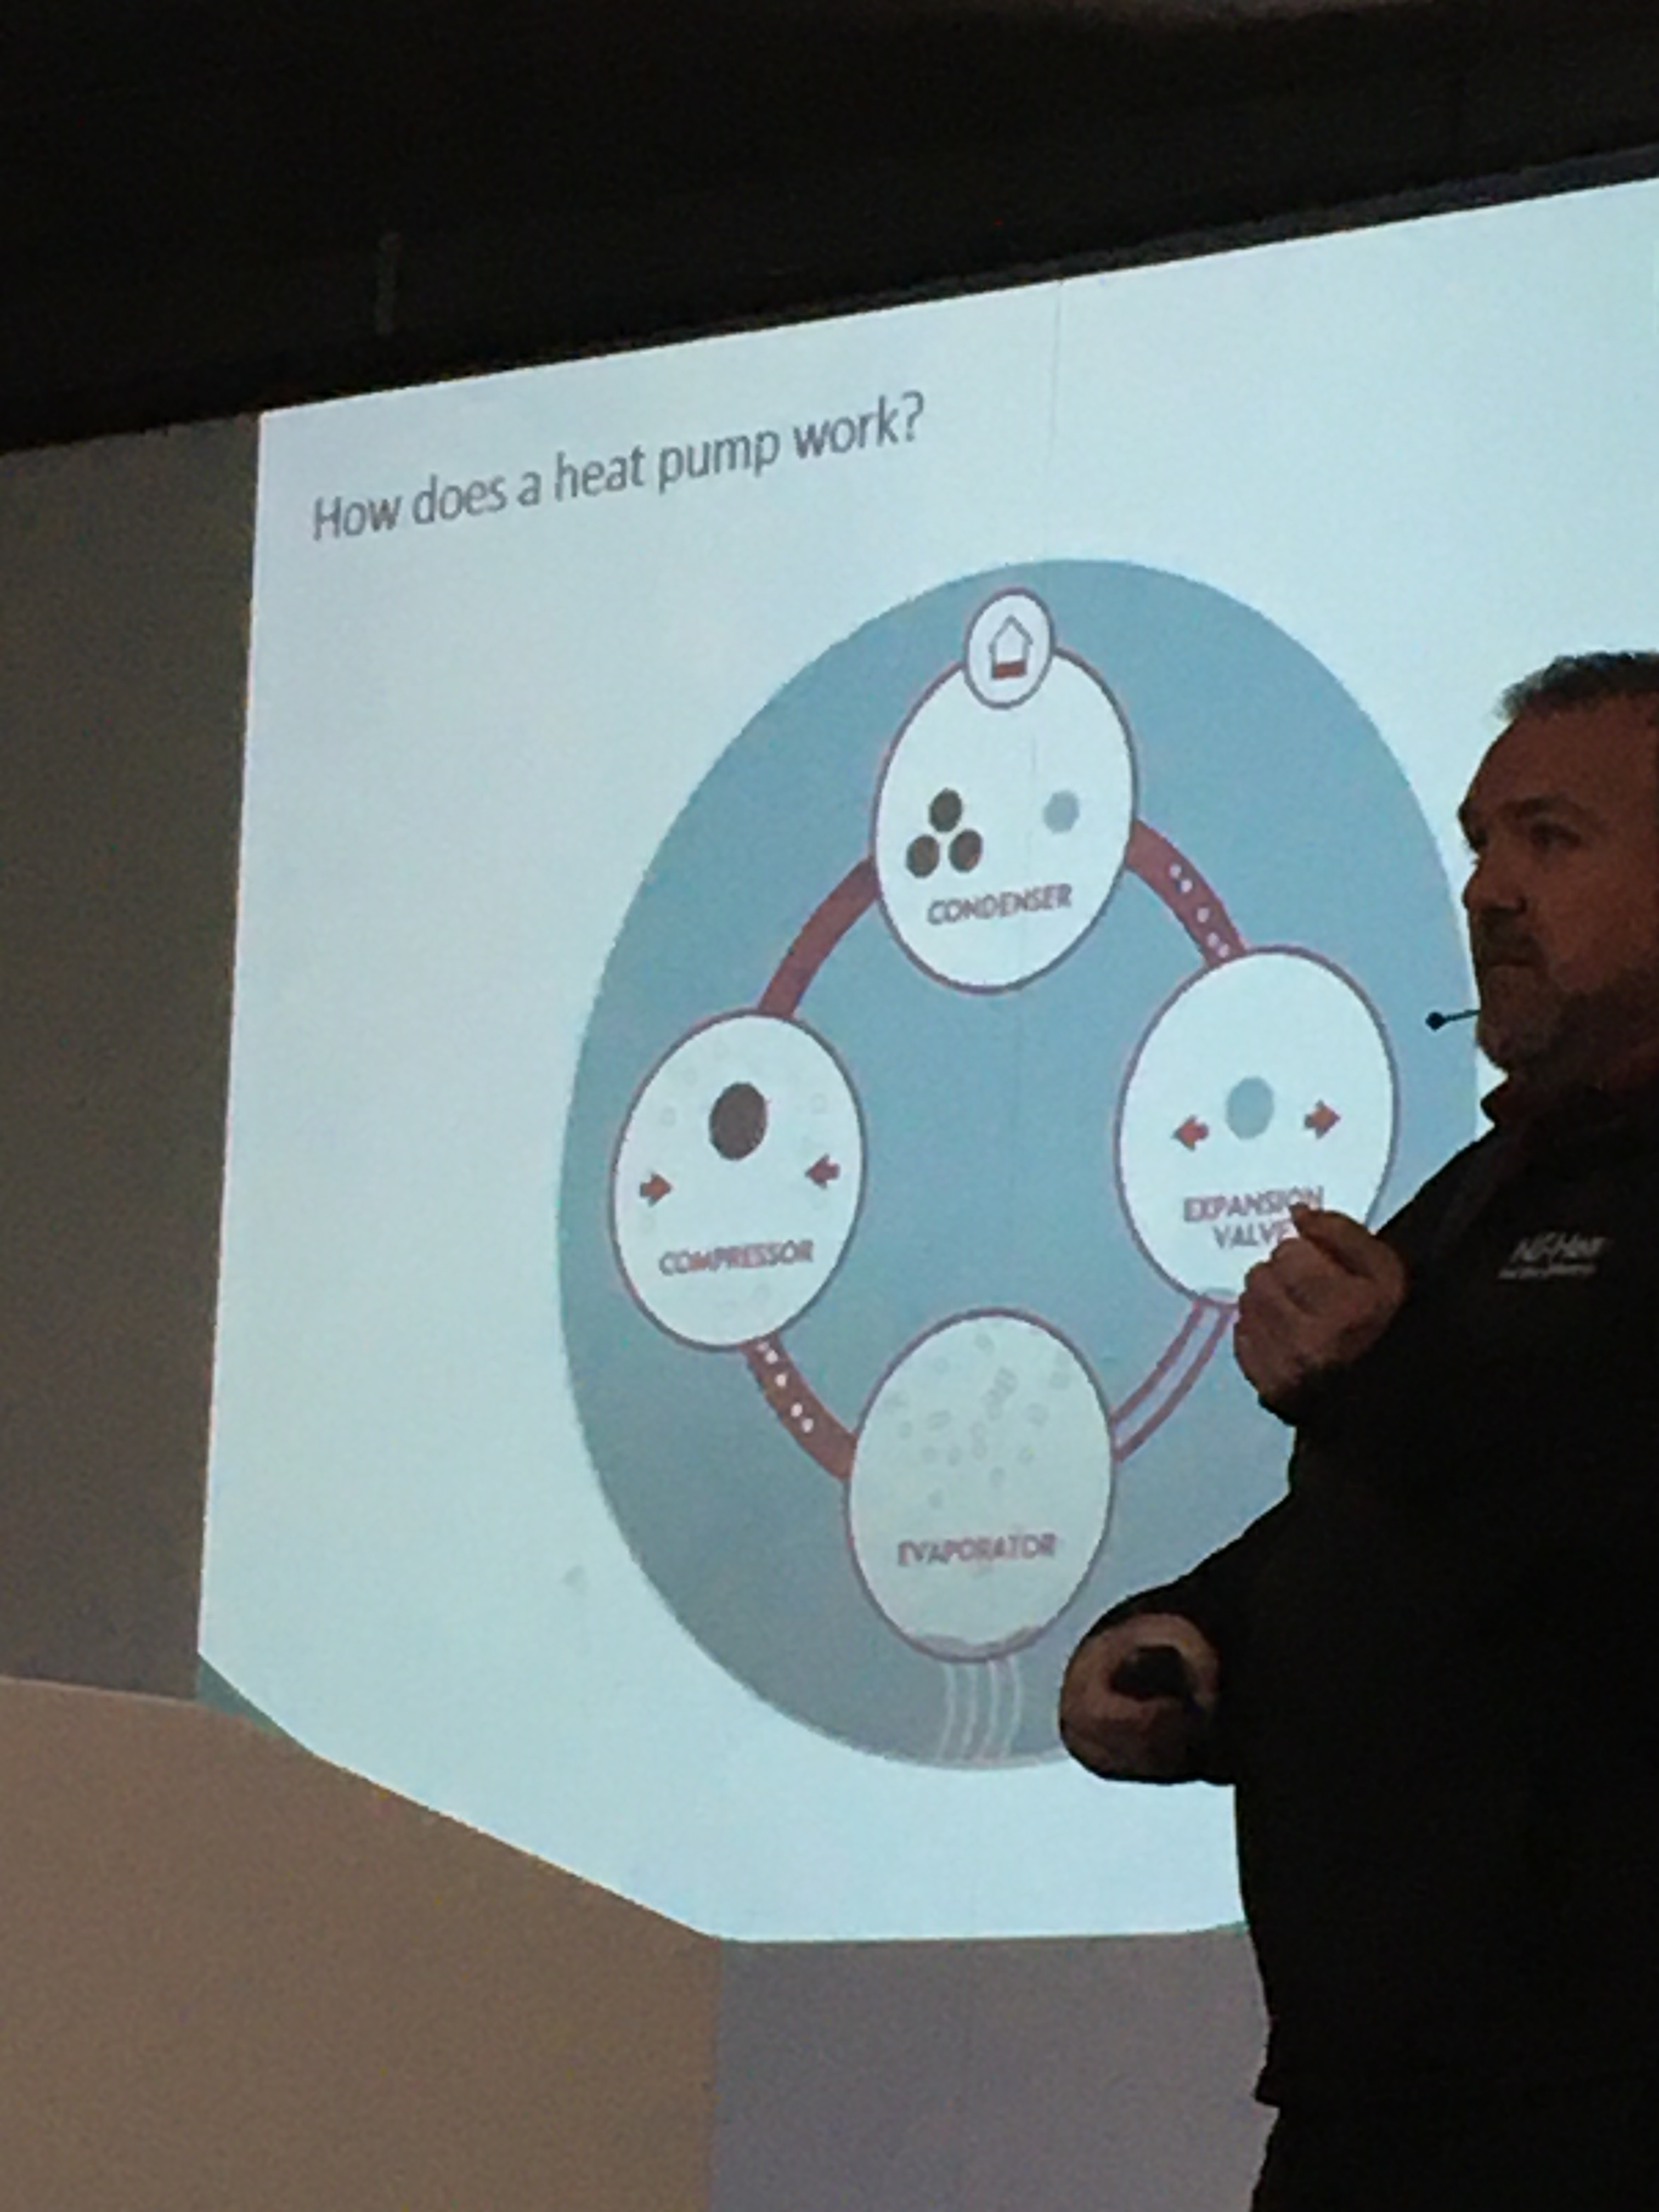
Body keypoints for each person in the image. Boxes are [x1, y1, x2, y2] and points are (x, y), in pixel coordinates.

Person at [1060, 653, 1659, 2211]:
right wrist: (1195, 1638)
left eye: (1551, 838)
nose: (1490, 891)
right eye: (1480, 843)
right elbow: (1390, 1523)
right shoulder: (1491, 1187)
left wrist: (1384, 1387)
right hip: (1377, 2106)